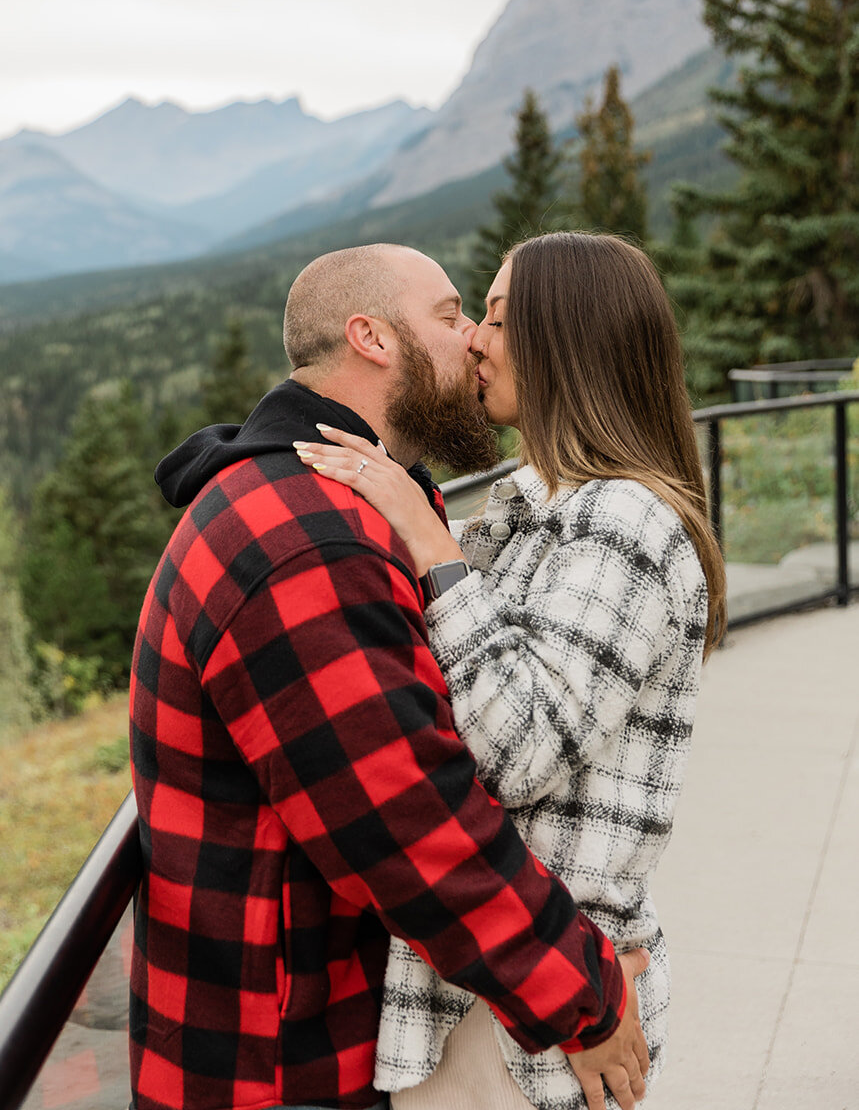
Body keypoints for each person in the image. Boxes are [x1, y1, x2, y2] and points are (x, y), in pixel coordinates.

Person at [129, 243, 650, 1110]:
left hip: (299, 1026)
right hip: (277, 1062)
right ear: (370, 337)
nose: (475, 342)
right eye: (452, 315)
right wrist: (583, 995)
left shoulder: (344, 501)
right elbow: (406, 819)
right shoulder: (302, 542)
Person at [295, 232, 727, 1110]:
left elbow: (516, 750)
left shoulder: (624, 523)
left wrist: (428, 543)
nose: (474, 341)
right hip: (499, 1002)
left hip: (536, 1031)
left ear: (562, 339)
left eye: (493, 317)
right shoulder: (535, 504)